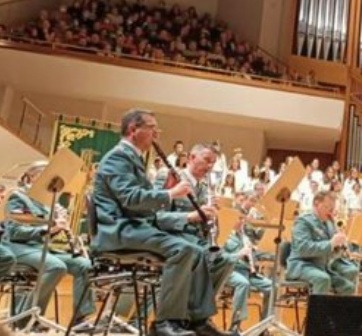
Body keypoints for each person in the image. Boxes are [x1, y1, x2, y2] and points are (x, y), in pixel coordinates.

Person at [92, 109, 231, 336]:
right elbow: (130, 199)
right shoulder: (118, 157)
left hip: (134, 225)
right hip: (118, 229)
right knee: (183, 249)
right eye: (152, 128)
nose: (156, 135)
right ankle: (164, 324)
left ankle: (195, 320)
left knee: (196, 250)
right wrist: (171, 194)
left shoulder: (133, 158)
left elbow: (142, 206)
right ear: (133, 130)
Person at [3, 162, 94, 328]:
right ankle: (27, 319)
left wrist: (58, 227)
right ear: (33, 176)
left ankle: (80, 319)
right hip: (18, 247)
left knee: (84, 264)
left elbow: (48, 232)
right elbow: (14, 232)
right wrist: (49, 227)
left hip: (40, 249)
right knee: (56, 267)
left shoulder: (46, 201)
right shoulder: (18, 196)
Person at [153, 143, 235, 295]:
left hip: (196, 240)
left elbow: (209, 231)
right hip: (173, 236)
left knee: (226, 260)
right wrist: (189, 217)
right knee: (204, 256)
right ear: (191, 157)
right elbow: (154, 216)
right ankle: (194, 312)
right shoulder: (171, 176)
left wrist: (212, 217)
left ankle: (198, 311)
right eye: (207, 160)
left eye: (213, 163)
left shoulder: (204, 188)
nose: (210, 166)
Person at [285, 190, 358, 295]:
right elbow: (303, 249)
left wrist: (340, 247)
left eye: (332, 208)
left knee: (348, 287)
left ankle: (335, 311)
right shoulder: (303, 221)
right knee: (323, 279)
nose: (330, 211)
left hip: (321, 266)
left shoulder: (328, 222)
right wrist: (331, 244)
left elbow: (331, 252)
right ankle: (318, 311)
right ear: (316, 203)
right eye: (327, 207)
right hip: (302, 265)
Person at [223, 217, 272, 333]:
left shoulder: (245, 237)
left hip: (248, 271)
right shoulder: (224, 235)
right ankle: (235, 325)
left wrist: (259, 252)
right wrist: (239, 254)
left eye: (243, 219)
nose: (242, 222)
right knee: (243, 283)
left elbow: (254, 255)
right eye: (239, 219)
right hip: (230, 271)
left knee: (271, 287)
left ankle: (264, 326)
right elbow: (219, 258)